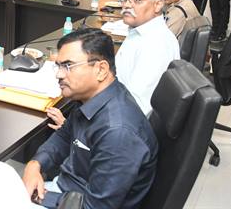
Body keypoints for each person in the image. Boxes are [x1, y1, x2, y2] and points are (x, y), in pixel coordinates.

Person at [22, 28, 158, 209]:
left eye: (68, 66)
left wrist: (40, 198)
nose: (59, 74)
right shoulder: (92, 98)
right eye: (59, 66)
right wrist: (35, 164)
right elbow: (64, 136)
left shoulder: (117, 133)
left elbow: (95, 206)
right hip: (67, 190)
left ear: (101, 70)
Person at [116, 0, 180, 115]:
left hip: (124, 119)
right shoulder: (140, 31)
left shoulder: (156, 45)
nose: (127, 5)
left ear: (158, 4)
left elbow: (136, 107)